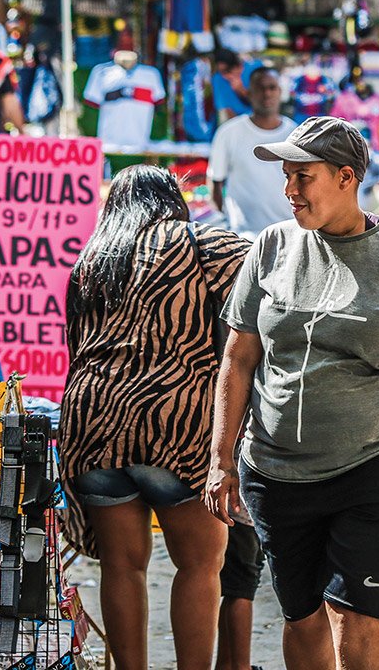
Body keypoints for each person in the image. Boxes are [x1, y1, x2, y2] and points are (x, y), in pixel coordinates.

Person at [204, 116, 379, 670]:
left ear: (346, 177)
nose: (289, 191)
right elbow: (238, 357)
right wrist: (221, 460)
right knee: (302, 615)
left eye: (302, 177)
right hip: (277, 470)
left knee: (359, 614)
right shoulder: (270, 248)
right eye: (286, 177)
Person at [59, 165, 249, 670]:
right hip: (174, 421)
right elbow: (267, 271)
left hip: (92, 420)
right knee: (200, 563)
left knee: (121, 568)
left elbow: (76, 347)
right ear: (172, 200)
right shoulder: (199, 242)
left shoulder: (92, 258)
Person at [208, 66, 296, 239]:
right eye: (260, 88)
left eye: (272, 88)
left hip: (289, 233)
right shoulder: (229, 133)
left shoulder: (295, 134)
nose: (267, 93)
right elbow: (215, 181)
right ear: (249, 93)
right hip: (243, 236)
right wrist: (227, 223)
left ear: (280, 92)